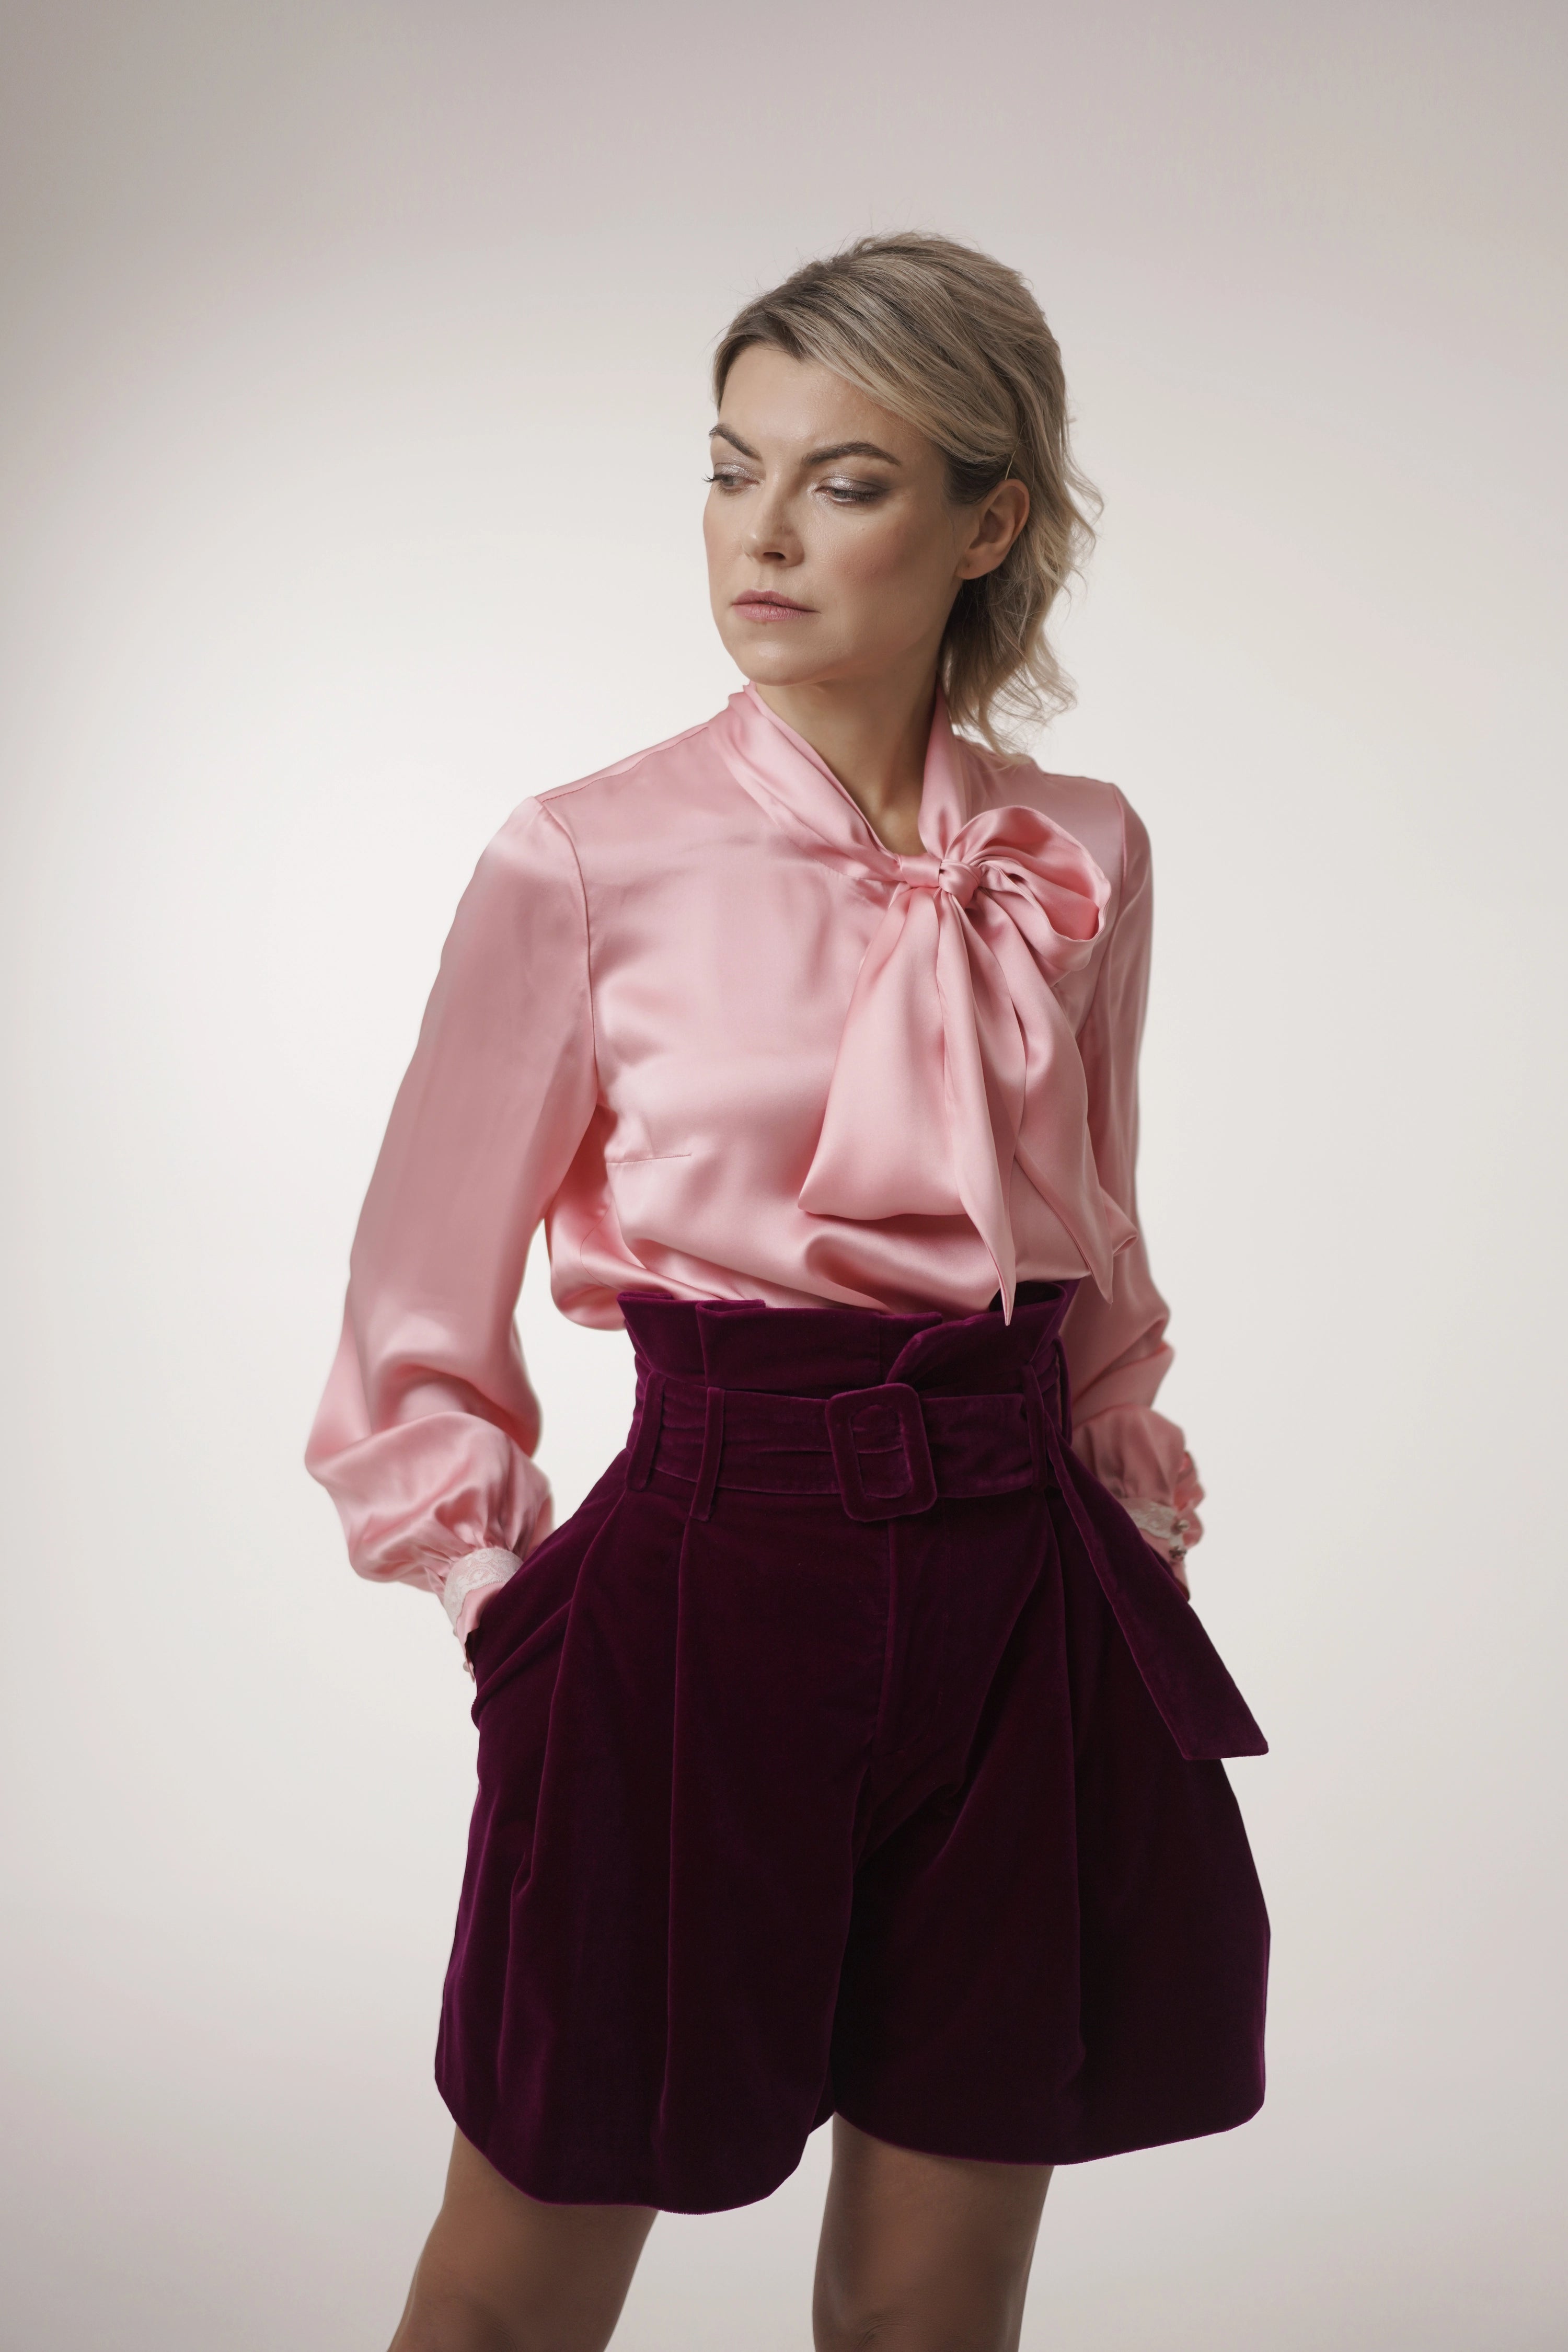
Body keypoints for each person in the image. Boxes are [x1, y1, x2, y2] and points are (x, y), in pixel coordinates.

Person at [306, 232, 1270, 2352]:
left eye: (844, 480)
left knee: (938, 2306)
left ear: (987, 521)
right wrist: (508, 1608)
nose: (759, 530)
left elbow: (1096, 1229)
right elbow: (413, 1306)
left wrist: (1130, 1525)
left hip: (1025, 1583)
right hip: (702, 1583)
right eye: (730, 468)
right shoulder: (581, 858)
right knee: (524, 2275)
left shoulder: (1083, 846)